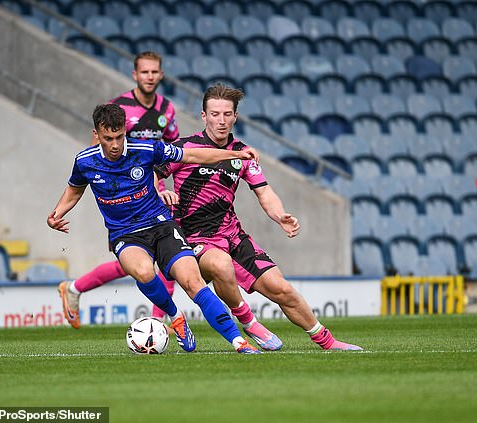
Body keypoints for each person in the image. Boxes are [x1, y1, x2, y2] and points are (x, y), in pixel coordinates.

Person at [57, 53, 281, 352]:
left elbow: (188, 152)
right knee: (142, 270)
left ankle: (239, 342)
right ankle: (172, 317)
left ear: (160, 75)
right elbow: (74, 188)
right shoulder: (100, 140)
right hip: (127, 231)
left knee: (190, 280)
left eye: (120, 137)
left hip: (161, 219)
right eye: (108, 138)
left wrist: (232, 154)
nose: (115, 144)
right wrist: (57, 213)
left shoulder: (162, 117)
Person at [155, 84, 363, 351]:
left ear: (235, 117)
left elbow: (264, 192)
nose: (221, 120)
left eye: (227, 114)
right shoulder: (184, 148)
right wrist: (162, 191)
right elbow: (154, 173)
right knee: (220, 265)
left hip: (231, 234)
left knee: (282, 289)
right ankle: (249, 322)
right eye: (215, 114)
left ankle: (327, 341)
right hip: (192, 238)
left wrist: (280, 216)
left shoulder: (243, 154)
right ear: (203, 116)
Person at [58, 51, 179, 327]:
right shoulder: (119, 107)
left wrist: (161, 184)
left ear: (161, 74)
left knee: (157, 262)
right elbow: (97, 149)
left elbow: (172, 150)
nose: (149, 77)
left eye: (154, 72)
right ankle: (161, 321)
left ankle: (76, 289)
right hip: (125, 194)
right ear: (135, 75)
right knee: (141, 262)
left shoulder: (167, 109)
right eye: (144, 72)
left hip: (152, 194)